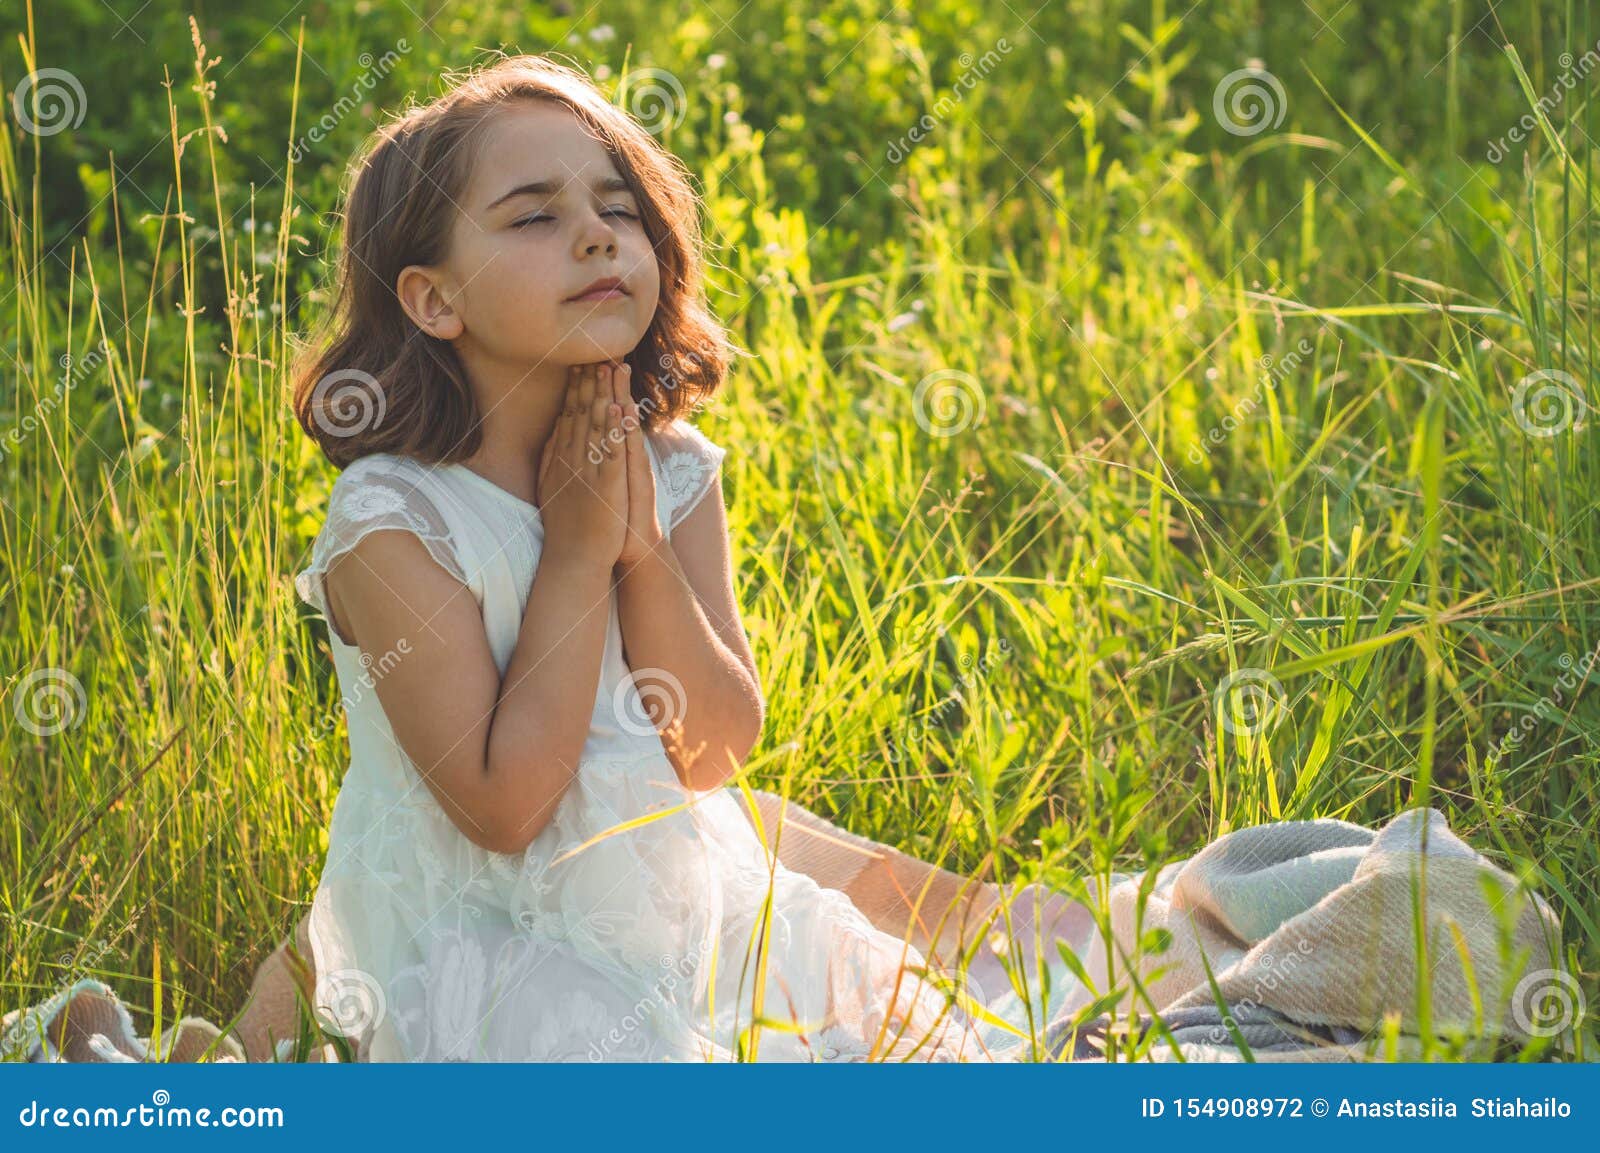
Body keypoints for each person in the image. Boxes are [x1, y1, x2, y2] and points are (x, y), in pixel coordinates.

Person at [288, 54, 1091, 1062]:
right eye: (533, 216)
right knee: (590, 1045)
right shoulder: (397, 518)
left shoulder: (670, 472)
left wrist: (639, 548)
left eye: (619, 209)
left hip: (683, 908)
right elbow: (503, 807)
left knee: (911, 1038)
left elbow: (710, 750)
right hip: (490, 945)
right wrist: (577, 558)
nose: (594, 234)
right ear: (434, 300)